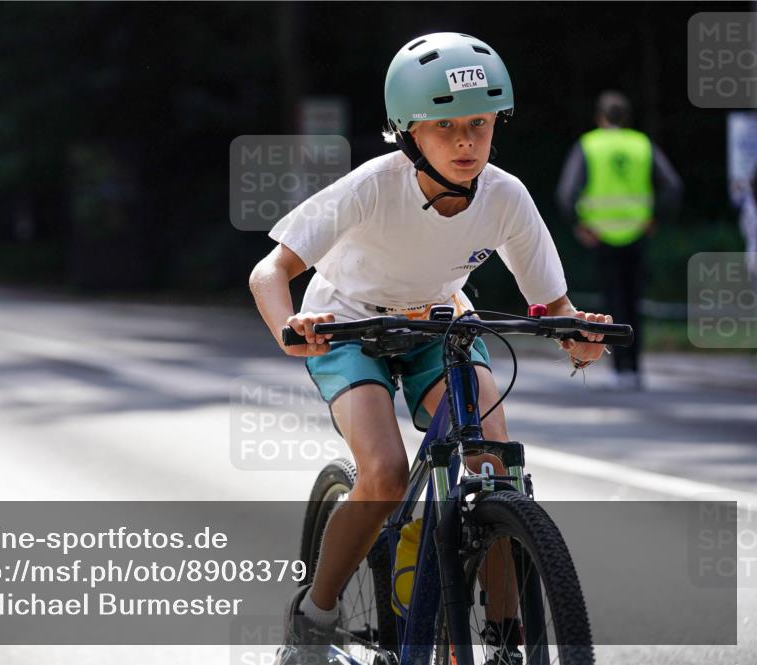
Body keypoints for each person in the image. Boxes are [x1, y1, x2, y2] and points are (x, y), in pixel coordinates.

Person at [250, 33, 612, 665]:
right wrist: (290, 330)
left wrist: (580, 338)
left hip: (440, 323)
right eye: (446, 127)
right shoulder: (372, 185)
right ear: (409, 131)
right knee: (385, 474)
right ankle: (315, 614)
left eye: (480, 123)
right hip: (346, 325)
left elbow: (555, 310)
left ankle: (503, 639)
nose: (467, 142)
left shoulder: (505, 195)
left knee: (497, 466)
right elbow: (269, 272)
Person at [556, 91, 682, 391]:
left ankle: (617, 369)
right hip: (637, 234)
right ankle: (635, 369)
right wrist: (656, 218)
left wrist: (580, 224)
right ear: (626, 117)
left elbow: (566, 192)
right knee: (634, 301)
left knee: (612, 302)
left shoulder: (589, 144)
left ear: (600, 117)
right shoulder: (642, 144)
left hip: (602, 236)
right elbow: (672, 186)